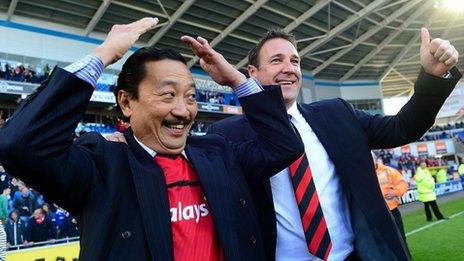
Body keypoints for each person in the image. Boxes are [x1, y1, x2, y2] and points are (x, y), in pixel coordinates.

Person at [0, 17, 302, 260]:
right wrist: (104, 55)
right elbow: (20, 143)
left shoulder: (218, 152)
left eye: (191, 97)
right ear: (127, 102)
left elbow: (284, 144)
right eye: (168, 95)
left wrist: (237, 80)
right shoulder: (102, 163)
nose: (183, 111)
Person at [207, 28, 460, 261]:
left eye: (294, 61)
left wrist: (431, 78)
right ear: (252, 73)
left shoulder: (337, 114)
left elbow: (402, 127)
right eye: (276, 61)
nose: (289, 68)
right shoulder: (226, 135)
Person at [373, 152, 410, 256]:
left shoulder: (389, 170)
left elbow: (403, 184)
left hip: (392, 211)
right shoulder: (362, 173)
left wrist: (396, 192)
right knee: (381, 241)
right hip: (375, 213)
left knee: (400, 238)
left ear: (376, 158)